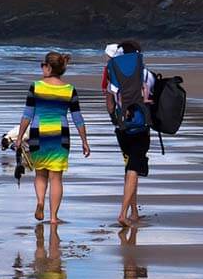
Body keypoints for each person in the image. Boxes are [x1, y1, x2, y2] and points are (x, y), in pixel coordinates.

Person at [17, 51, 90, 224]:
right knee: (56, 178)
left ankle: (40, 201)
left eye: (43, 65)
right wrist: (84, 141)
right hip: (60, 135)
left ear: (49, 67)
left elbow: (27, 114)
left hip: (38, 134)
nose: (42, 68)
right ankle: (53, 217)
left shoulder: (36, 86)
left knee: (40, 175)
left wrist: (20, 137)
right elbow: (77, 117)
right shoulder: (69, 90)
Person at [102, 40, 154, 226]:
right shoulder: (146, 74)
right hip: (140, 127)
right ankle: (123, 213)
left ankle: (134, 212)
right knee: (134, 168)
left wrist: (114, 119)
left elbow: (109, 102)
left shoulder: (114, 72)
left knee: (130, 167)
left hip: (121, 128)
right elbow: (152, 97)